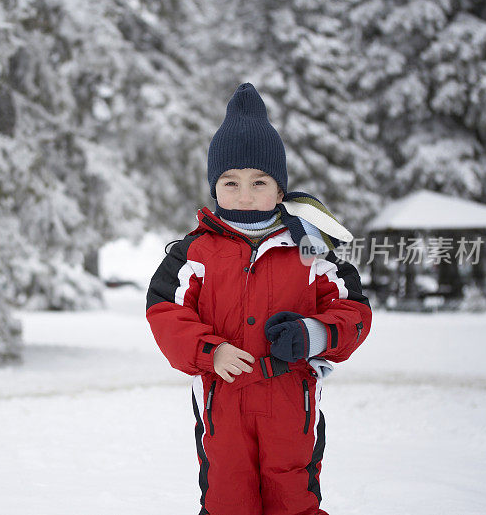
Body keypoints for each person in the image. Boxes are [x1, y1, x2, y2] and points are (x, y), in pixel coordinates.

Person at [146, 83, 372, 515]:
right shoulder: (194, 252)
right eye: (230, 182)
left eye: (258, 181)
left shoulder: (309, 248)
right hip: (223, 406)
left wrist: (316, 334)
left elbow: (354, 310)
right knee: (228, 500)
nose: (244, 194)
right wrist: (209, 351)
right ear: (215, 187)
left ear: (281, 189)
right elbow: (164, 311)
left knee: (294, 500)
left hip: (292, 405)